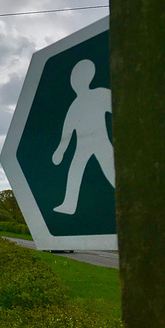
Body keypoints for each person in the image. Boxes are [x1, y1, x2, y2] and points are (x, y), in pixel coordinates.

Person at [52, 59, 115, 215]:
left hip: (101, 141)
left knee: (111, 169)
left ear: (89, 77)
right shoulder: (75, 105)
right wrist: (60, 150)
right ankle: (69, 204)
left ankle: (127, 196)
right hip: (82, 145)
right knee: (75, 169)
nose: (76, 81)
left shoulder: (99, 94)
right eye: (74, 78)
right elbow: (67, 133)